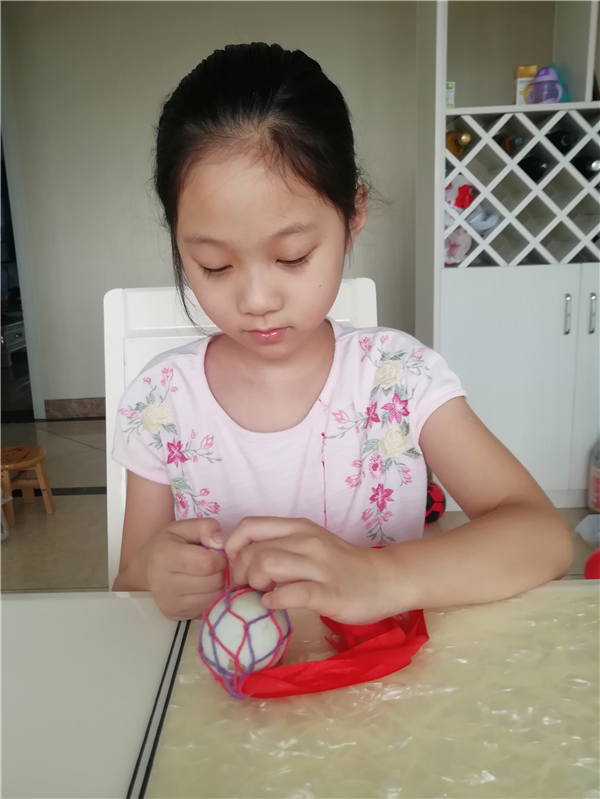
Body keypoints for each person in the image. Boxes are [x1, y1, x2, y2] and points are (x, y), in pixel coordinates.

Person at [112, 42, 573, 622]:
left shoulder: (397, 381)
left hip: (385, 672)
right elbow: (127, 583)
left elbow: (542, 536)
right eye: (215, 266)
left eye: (293, 257)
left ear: (353, 217)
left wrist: (381, 576)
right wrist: (154, 575)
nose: (257, 301)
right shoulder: (161, 403)